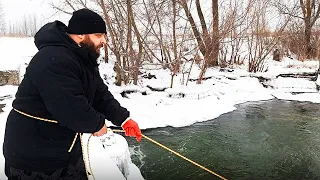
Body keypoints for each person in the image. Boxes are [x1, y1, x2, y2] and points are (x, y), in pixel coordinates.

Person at [3, 8, 142, 179]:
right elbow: (69, 107)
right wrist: (97, 124)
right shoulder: (53, 58)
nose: (104, 41)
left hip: (62, 148)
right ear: (81, 34)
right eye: (99, 35)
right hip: (33, 156)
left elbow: (99, 93)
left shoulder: (83, 58)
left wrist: (124, 119)